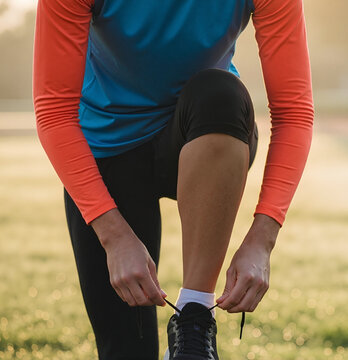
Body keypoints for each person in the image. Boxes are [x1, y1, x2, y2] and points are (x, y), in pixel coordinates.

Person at [32, 0, 313, 358]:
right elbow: (54, 112)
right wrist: (114, 237)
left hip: (207, 132)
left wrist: (262, 239)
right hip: (108, 151)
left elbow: (293, 113)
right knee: (125, 349)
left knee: (221, 94)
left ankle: (194, 319)